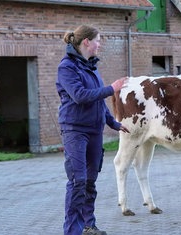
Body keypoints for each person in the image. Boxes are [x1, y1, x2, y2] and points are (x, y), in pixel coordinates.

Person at [56, 25, 130, 235]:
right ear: (86, 42)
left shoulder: (91, 67)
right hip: (75, 130)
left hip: (94, 131)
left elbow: (97, 102)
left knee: (90, 182)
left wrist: (113, 123)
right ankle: (72, 231)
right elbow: (80, 95)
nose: (100, 44)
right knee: (78, 181)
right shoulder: (66, 67)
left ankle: (88, 225)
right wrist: (111, 89)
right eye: (98, 40)